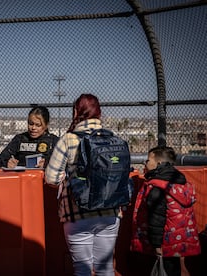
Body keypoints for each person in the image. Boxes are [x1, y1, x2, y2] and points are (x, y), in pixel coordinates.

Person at [45, 94, 121, 276]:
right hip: (110, 212)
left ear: (75, 111)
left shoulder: (69, 139)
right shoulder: (113, 138)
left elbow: (51, 178)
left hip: (77, 214)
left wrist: (67, 178)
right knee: (105, 269)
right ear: (98, 112)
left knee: (83, 270)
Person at [130, 146, 200, 276]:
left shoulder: (156, 187)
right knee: (173, 269)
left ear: (158, 163)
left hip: (162, 242)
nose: (145, 163)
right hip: (177, 240)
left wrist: (156, 245)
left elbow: (157, 218)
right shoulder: (180, 181)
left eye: (148, 160)